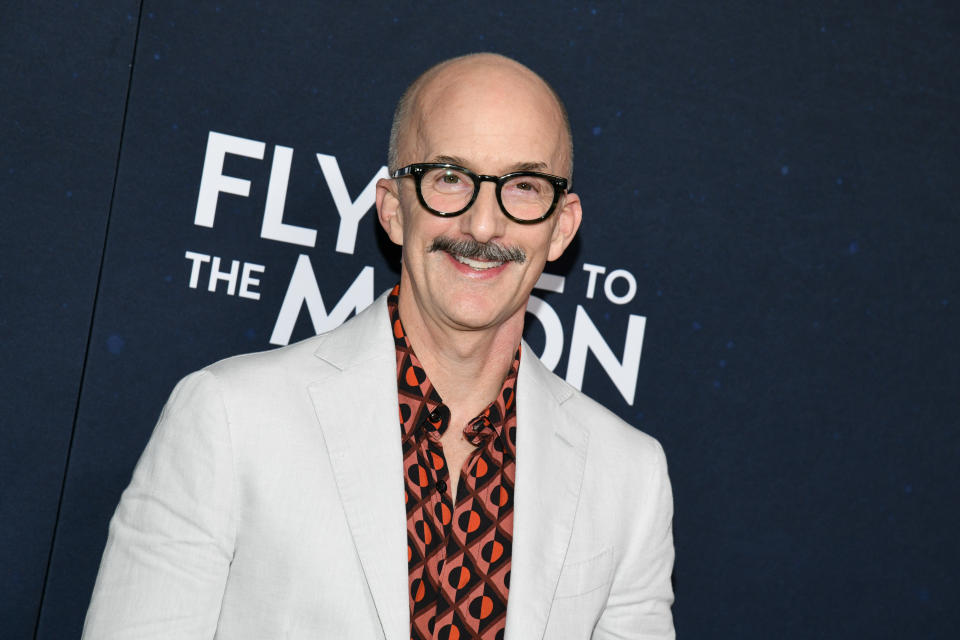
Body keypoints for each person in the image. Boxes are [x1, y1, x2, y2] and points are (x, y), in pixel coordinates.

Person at [83, 53, 675, 640]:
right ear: (393, 209)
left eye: (522, 186)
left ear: (561, 226)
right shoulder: (229, 417)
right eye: (450, 178)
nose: (484, 226)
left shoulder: (628, 478)